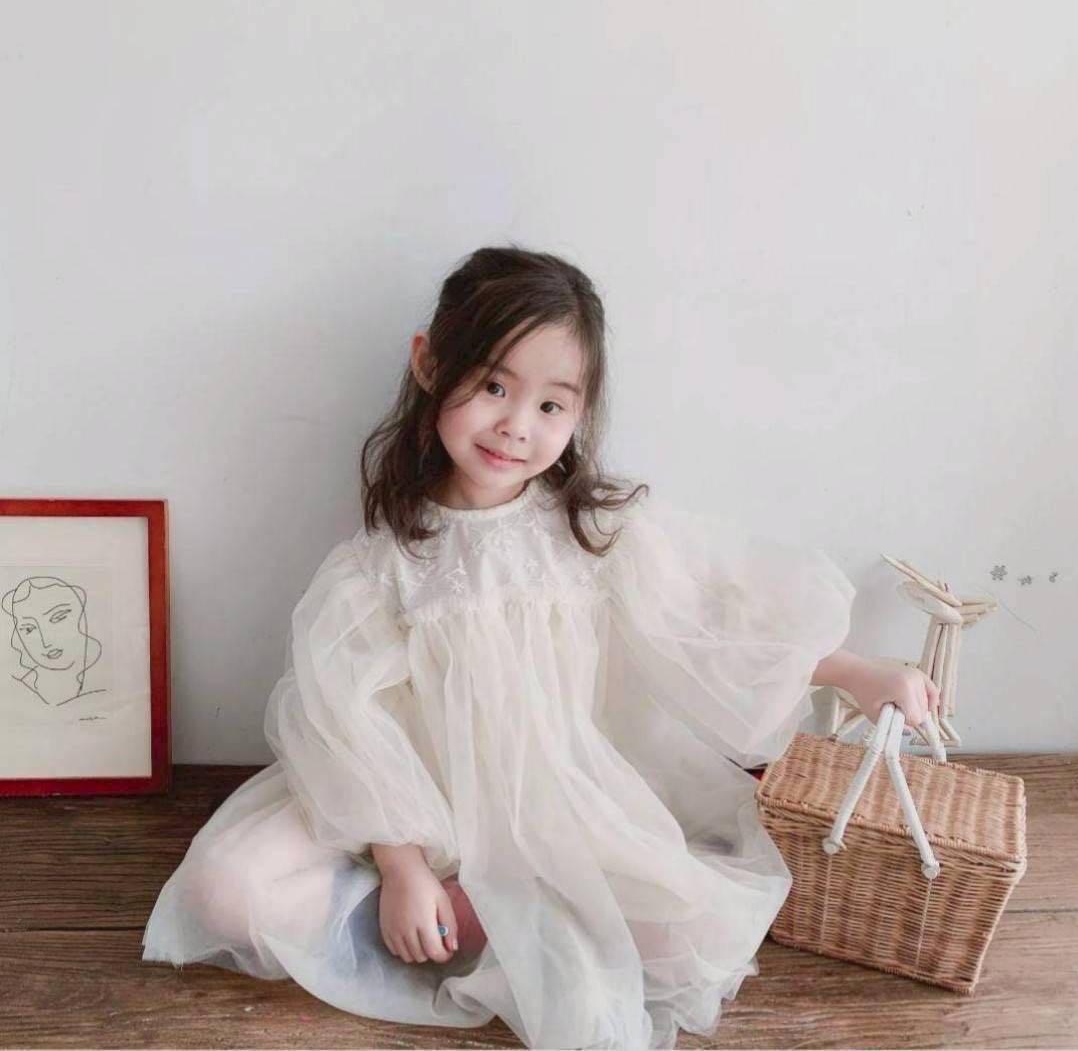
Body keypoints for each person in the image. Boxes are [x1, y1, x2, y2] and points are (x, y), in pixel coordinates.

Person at [141, 245, 940, 1050]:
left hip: (554, 803)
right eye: (493, 386)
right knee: (226, 892)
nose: (516, 426)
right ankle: (440, 903)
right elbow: (347, 723)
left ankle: (491, 909)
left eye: (551, 405)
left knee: (683, 933)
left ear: (580, 414)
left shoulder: (592, 531)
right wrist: (404, 865)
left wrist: (854, 671)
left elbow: (710, 623)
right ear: (429, 364)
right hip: (411, 809)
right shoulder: (379, 568)